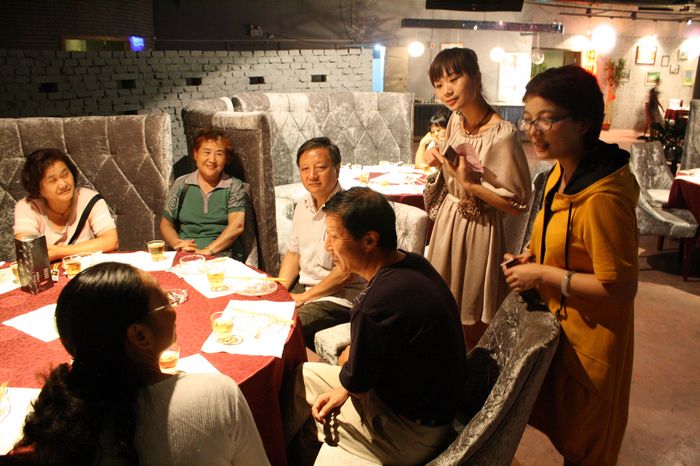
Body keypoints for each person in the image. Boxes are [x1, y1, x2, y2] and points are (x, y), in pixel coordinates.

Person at [503, 65, 639, 466]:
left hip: (592, 344)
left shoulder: (603, 198)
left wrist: (542, 274)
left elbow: (622, 287)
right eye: (529, 119)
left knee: (588, 449)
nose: (534, 131)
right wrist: (531, 258)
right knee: (569, 437)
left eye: (546, 120)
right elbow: (559, 241)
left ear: (582, 122)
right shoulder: (556, 175)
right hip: (560, 333)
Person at [14, 262, 270, 465]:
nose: (173, 307)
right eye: (166, 301)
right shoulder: (216, 394)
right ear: (140, 336)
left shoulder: (60, 418)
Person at [284, 187, 466, 465]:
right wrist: (349, 373)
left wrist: (350, 362)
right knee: (302, 376)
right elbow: (361, 368)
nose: (327, 245)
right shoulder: (414, 264)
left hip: (409, 431)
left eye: (334, 236)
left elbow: (356, 380)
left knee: (311, 423)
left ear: (370, 240)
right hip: (429, 407)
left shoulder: (375, 305)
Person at [423, 47, 531, 349]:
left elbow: (518, 204)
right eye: (439, 84)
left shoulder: (503, 134)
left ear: (477, 78)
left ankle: (472, 368)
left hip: (481, 228)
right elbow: (458, 167)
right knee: (442, 306)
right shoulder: (454, 120)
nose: (446, 90)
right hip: (448, 220)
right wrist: (440, 159)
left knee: (472, 318)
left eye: (454, 79)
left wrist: (471, 186)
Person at [278, 137, 366, 350]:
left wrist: (304, 297)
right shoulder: (302, 205)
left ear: (337, 168)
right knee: (258, 311)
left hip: (338, 298)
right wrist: (279, 291)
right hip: (306, 286)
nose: (312, 175)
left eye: (320, 167)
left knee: (283, 329)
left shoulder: (349, 209)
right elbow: (294, 253)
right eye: (305, 169)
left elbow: (344, 273)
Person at [14, 148, 118, 262]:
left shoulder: (89, 199)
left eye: (65, 174)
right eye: (53, 180)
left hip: (86, 269)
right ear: (38, 189)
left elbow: (111, 241)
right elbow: (29, 253)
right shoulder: (28, 207)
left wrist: (59, 252)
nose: (63, 184)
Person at [160, 129, 247, 259]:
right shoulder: (181, 184)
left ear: (226, 159)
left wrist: (207, 251)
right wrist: (178, 243)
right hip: (185, 253)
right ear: (195, 154)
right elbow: (166, 224)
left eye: (219, 154)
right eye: (206, 152)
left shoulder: (234, 186)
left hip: (222, 255)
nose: (212, 159)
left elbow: (237, 226)